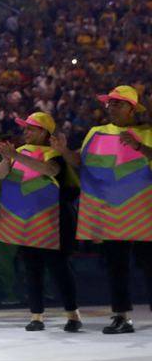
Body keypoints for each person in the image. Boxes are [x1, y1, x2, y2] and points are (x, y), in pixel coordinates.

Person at [69, 85, 152, 334]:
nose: (110, 107)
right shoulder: (95, 133)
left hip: (143, 212)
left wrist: (139, 147)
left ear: (132, 108)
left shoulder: (147, 133)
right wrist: (63, 150)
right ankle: (121, 317)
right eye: (109, 103)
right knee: (116, 266)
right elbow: (81, 163)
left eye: (117, 103)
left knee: (150, 265)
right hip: (111, 214)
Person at [0, 112, 81, 331]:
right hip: (27, 220)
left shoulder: (54, 153)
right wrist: (6, 160)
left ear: (44, 132)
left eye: (31, 128)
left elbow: (49, 170)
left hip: (55, 221)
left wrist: (16, 155)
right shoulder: (19, 153)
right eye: (25, 129)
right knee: (31, 269)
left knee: (60, 269)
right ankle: (36, 316)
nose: (26, 132)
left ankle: (73, 315)